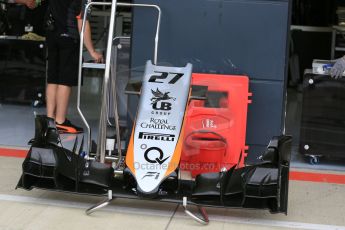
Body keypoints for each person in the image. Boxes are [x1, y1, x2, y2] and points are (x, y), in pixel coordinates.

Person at [18, 0, 103, 134]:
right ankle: (60, 121)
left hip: (51, 37)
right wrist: (92, 51)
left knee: (53, 79)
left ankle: (50, 120)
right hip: (69, 38)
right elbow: (82, 21)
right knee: (65, 81)